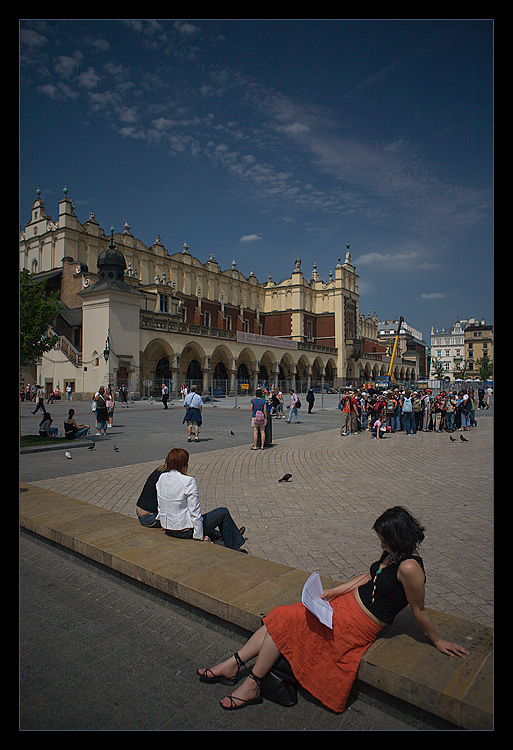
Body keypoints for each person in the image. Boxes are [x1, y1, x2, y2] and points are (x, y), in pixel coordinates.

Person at [197, 506, 469, 713]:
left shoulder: (410, 567)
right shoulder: (395, 553)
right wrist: (335, 591)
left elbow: (419, 610)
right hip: (345, 607)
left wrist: (437, 640)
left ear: (397, 538)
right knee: (282, 616)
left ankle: (252, 682)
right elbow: (369, 576)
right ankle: (234, 665)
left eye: (383, 540)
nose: (381, 545)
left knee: (282, 618)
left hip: (357, 625)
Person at [156, 448, 246, 551]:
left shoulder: (162, 477)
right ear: (183, 464)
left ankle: (227, 535)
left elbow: (160, 504)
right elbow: (194, 511)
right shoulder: (188, 481)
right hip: (184, 530)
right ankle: (234, 545)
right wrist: (199, 536)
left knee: (206, 520)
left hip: (168, 527)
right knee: (223, 512)